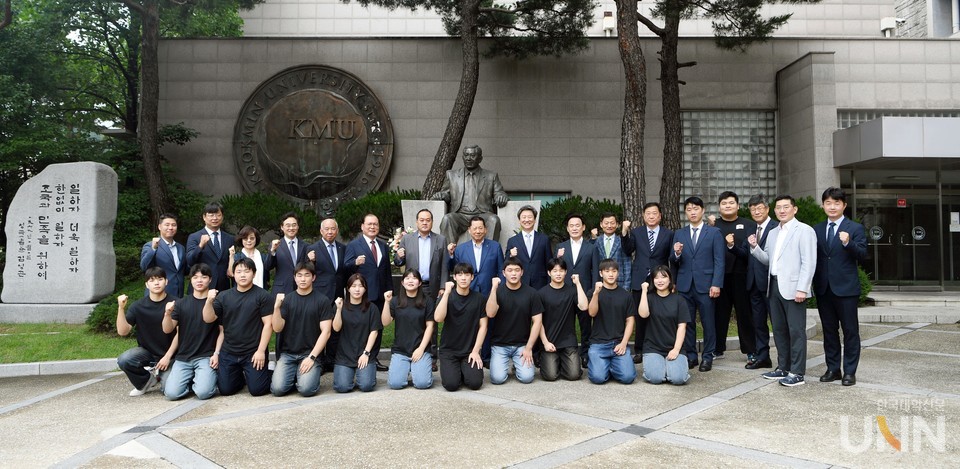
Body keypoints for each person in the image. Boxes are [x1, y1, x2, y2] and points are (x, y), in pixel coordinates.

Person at [748, 195, 817, 387]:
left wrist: (803, 288)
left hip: (795, 288)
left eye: (786, 207)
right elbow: (767, 259)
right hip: (774, 286)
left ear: (795, 209)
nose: (782, 210)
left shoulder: (804, 230)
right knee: (779, 330)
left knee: (796, 331)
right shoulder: (773, 233)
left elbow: (809, 262)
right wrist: (754, 247)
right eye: (779, 207)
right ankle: (783, 367)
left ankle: (797, 372)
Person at [814, 187, 867, 387]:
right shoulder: (817, 229)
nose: (832, 207)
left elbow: (863, 254)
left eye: (836, 203)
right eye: (828, 203)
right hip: (823, 288)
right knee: (829, 331)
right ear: (823, 205)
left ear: (844, 205)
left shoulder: (855, 228)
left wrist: (848, 243)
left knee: (850, 331)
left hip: (846, 289)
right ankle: (833, 369)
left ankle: (850, 372)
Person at [202, 257, 273, 396]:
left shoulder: (263, 296)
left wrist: (260, 351)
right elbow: (208, 318)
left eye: (247, 271)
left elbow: (268, 324)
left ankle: (269, 373)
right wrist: (209, 301)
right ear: (233, 274)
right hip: (229, 352)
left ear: (254, 273)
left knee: (257, 390)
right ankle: (241, 376)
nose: (243, 275)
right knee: (226, 390)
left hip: (253, 351)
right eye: (239, 272)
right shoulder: (224, 296)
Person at [672, 196, 725, 372]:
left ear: (702, 211)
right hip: (685, 285)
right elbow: (673, 261)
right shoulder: (679, 233)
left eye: (696, 209)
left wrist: (716, 283)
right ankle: (691, 355)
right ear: (685, 212)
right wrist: (677, 253)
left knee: (708, 322)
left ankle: (708, 357)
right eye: (689, 209)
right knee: (687, 322)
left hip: (706, 285)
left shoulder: (714, 233)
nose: (692, 212)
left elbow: (719, 261)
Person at [393, 208, 447, 371]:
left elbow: (444, 265)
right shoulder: (407, 239)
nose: (425, 222)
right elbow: (399, 262)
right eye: (422, 220)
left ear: (432, 222)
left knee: (431, 322)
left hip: (431, 286)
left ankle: (431, 357)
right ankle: (408, 352)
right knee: (411, 318)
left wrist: (443, 286)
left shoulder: (440, 240)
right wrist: (399, 256)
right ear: (416, 222)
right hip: (412, 286)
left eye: (428, 220)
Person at [270, 262, 334, 397]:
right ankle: (295, 375)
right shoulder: (288, 300)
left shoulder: (322, 301)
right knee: (278, 389)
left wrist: (312, 357)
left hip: (310, 354)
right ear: (294, 278)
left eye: (307, 275)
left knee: (306, 389)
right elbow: (277, 328)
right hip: (288, 354)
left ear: (313, 277)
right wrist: (276, 308)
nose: (303, 279)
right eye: (299, 275)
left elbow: (326, 332)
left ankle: (308, 373)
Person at [622, 202, 674, 364]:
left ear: (660, 216)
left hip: (660, 281)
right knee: (640, 317)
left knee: (660, 315)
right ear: (643, 216)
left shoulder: (668, 234)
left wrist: (672, 282)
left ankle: (660, 347)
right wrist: (624, 233)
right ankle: (639, 350)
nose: (651, 216)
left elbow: (672, 258)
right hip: (639, 279)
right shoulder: (636, 232)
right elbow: (627, 250)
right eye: (648, 213)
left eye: (654, 213)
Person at [448, 216, 504, 363]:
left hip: (489, 292)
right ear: (469, 230)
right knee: (468, 323)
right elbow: (455, 269)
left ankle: (486, 356)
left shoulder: (495, 247)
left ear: (485, 230)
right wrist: (451, 255)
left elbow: (501, 270)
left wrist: (499, 288)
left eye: (480, 228)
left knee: (488, 324)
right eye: (475, 228)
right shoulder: (461, 249)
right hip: (468, 292)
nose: (478, 231)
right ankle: (468, 353)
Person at [161, 263, 221, 401]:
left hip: (206, 357)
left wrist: (216, 353)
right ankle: (193, 381)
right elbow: (167, 329)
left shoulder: (217, 302)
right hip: (183, 358)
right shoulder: (181, 303)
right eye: (195, 277)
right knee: (171, 394)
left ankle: (205, 380)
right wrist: (167, 314)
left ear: (210, 279)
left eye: (203, 277)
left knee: (203, 393)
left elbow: (220, 329)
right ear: (191, 280)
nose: (199, 280)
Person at [116, 267, 178, 396]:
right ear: (146, 284)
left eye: (160, 279)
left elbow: (180, 333)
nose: (156, 283)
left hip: (172, 355)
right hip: (147, 353)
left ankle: (163, 375)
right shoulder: (138, 306)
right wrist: (121, 308)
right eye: (152, 280)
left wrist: (167, 357)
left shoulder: (175, 303)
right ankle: (146, 381)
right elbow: (123, 331)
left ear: (166, 281)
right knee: (124, 359)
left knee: (169, 391)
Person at [344, 213, 393, 372]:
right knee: (362, 327)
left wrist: (389, 291)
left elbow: (386, 271)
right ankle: (357, 356)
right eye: (369, 224)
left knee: (377, 327)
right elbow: (345, 268)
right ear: (362, 226)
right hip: (362, 294)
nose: (372, 227)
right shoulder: (353, 245)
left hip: (380, 294)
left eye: (375, 224)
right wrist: (355, 263)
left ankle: (373, 357)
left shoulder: (383, 246)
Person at [432, 145, 509, 243]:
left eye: (472, 155)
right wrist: (441, 195)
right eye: (466, 155)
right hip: (460, 215)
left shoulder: (491, 176)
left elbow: (499, 192)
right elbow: (446, 194)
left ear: (480, 158)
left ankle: (489, 251)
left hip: (482, 215)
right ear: (463, 157)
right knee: (447, 219)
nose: (468, 158)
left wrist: (501, 197)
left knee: (494, 220)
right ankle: (449, 250)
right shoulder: (452, 175)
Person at [713, 191, 757, 362]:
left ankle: (750, 350)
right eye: (724, 203)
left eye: (731, 203)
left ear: (738, 206)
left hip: (742, 275)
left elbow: (749, 252)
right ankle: (717, 349)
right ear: (719, 207)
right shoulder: (713, 225)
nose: (728, 206)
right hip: (719, 277)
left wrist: (732, 246)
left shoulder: (749, 225)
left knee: (745, 314)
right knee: (719, 314)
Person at [485, 257, 543, 384]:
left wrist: (529, 348)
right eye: (510, 270)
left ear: (522, 272)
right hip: (500, 345)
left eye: (517, 270)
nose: (513, 273)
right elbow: (490, 313)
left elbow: (537, 322)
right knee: (497, 379)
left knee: (527, 378)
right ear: (504, 273)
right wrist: (493, 288)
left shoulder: (532, 293)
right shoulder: (497, 292)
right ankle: (504, 365)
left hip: (522, 345)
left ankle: (517, 366)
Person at [434, 263, 488, 391]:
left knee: (475, 383)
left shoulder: (479, 298)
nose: (463, 278)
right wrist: (446, 293)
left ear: (472, 277)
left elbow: (483, 326)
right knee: (451, 385)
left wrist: (476, 351)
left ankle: (464, 370)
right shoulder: (446, 296)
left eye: (467, 275)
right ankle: (457, 371)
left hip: (469, 351)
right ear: (454, 277)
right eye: (459, 274)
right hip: (449, 351)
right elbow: (438, 318)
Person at [555, 213, 599, 367]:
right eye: (571, 226)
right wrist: (558, 257)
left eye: (577, 225)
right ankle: (565, 353)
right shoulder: (560, 247)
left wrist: (592, 291)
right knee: (565, 324)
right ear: (567, 228)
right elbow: (555, 269)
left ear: (583, 227)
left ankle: (585, 354)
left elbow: (595, 271)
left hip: (584, 292)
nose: (574, 228)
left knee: (585, 325)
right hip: (564, 292)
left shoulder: (591, 247)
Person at [306, 217, 348, 371]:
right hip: (320, 294)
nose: (330, 232)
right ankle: (319, 359)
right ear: (321, 231)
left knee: (336, 327)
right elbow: (307, 270)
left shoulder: (342, 248)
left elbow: (343, 271)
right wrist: (311, 261)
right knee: (319, 328)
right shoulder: (312, 249)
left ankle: (332, 359)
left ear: (337, 231)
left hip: (338, 294)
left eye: (333, 229)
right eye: (327, 229)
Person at [382, 270, 435, 389]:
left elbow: (430, 326)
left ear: (420, 283)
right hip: (401, 350)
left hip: (420, 349)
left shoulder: (428, 301)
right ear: (402, 282)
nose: (410, 281)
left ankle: (420, 369)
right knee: (395, 384)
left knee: (422, 383)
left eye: (414, 278)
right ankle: (407, 368)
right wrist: (386, 302)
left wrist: (421, 349)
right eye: (407, 278)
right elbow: (385, 322)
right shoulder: (395, 301)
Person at [586, 259, 637, 385]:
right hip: (598, 344)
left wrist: (624, 343)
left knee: (628, 377)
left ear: (618, 273)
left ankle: (610, 366)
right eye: (607, 271)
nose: (611, 274)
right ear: (601, 273)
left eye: (614, 271)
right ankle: (606, 366)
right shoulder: (593, 292)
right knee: (597, 378)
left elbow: (630, 320)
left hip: (618, 344)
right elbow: (592, 313)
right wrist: (596, 293)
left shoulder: (626, 295)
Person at [637, 266, 690, 385]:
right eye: (656, 278)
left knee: (678, 379)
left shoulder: (679, 300)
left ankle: (669, 368)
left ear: (670, 280)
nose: (660, 281)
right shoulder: (649, 298)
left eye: (663, 277)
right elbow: (643, 314)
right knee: (655, 378)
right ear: (652, 280)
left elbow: (682, 327)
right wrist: (644, 291)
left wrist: (676, 349)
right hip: (653, 348)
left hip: (673, 347)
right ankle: (662, 368)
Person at [537, 258, 586, 381]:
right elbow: (538, 322)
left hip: (568, 341)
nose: (558, 274)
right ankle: (551, 360)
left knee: (574, 375)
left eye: (561, 270)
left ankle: (561, 362)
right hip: (549, 341)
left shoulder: (572, 291)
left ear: (566, 272)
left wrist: (578, 284)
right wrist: (545, 342)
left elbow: (584, 306)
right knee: (550, 376)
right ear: (549, 273)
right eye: (555, 271)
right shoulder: (541, 293)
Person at [332, 274, 382, 392]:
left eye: (361, 286)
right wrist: (338, 309)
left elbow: (374, 332)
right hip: (344, 355)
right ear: (348, 288)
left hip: (365, 353)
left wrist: (366, 353)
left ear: (365, 289)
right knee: (342, 387)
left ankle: (366, 373)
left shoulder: (372, 308)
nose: (357, 289)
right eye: (354, 286)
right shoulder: (340, 306)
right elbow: (336, 328)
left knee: (366, 385)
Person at [744, 194, 776, 370]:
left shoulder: (776, 227)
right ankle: (763, 357)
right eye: (753, 209)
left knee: (778, 323)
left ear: (767, 209)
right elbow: (745, 253)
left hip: (771, 284)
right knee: (758, 323)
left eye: (759, 208)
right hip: (754, 283)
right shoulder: (751, 228)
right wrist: (731, 247)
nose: (756, 212)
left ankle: (785, 360)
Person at [186, 202, 235, 291]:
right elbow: (190, 261)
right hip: (202, 287)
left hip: (223, 287)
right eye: (211, 215)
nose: (215, 218)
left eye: (218, 215)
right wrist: (200, 246)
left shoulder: (229, 238)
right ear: (204, 217)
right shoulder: (194, 237)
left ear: (222, 217)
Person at [139, 213, 186, 297]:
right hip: (158, 294)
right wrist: (153, 248)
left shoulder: (180, 248)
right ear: (159, 227)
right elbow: (144, 266)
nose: (170, 228)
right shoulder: (150, 246)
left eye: (173, 225)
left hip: (178, 294)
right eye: (167, 225)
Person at [506, 205, 552, 290]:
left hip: (540, 283)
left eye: (530, 217)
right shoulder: (512, 241)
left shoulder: (544, 239)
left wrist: (550, 284)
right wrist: (511, 255)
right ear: (519, 220)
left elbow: (549, 263)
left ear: (535, 220)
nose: (527, 220)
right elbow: (506, 263)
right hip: (520, 282)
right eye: (524, 217)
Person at [269, 212, 307, 294]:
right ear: (282, 227)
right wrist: (273, 251)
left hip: (301, 288)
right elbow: (268, 266)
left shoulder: (305, 246)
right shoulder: (275, 245)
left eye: (294, 225)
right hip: (281, 289)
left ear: (298, 226)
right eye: (288, 225)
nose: (291, 228)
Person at [593, 212, 632, 290]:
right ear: (601, 224)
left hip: (619, 283)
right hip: (600, 284)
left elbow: (627, 264)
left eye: (612, 223)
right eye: (606, 223)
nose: (609, 226)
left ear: (617, 225)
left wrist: (626, 287)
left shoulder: (622, 241)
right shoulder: (596, 242)